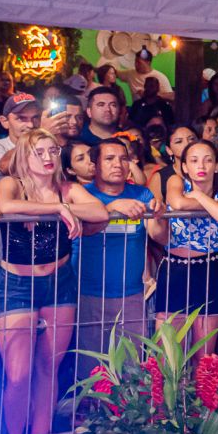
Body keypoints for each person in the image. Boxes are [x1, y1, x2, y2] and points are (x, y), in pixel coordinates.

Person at [0, 128, 108, 434]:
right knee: (18, 374)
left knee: (48, 367)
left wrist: (66, 204)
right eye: (39, 151)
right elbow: (5, 206)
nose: (47, 157)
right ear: (24, 156)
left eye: (53, 150)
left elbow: (99, 212)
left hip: (59, 282)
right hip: (16, 284)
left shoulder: (67, 188)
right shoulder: (12, 183)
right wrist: (58, 208)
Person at [74, 139, 164, 379]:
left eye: (124, 159)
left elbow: (160, 237)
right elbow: (83, 230)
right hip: (89, 294)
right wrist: (112, 209)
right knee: (92, 374)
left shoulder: (141, 194)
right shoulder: (83, 195)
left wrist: (159, 215)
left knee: (131, 372)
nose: (118, 164)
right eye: (109, 159)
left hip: (131, 296)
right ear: (95, 165)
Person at [161, 140, 218, 357]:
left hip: (209, 271)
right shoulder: (176, 181)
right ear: (185, 166)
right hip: (174, 270)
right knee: (167, 355)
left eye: (208, 160)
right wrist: (215, 206)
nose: (201, 166)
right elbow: (178, 204)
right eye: (194, 161)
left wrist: (198, 196)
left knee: (204, 356)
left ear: (217, 166)